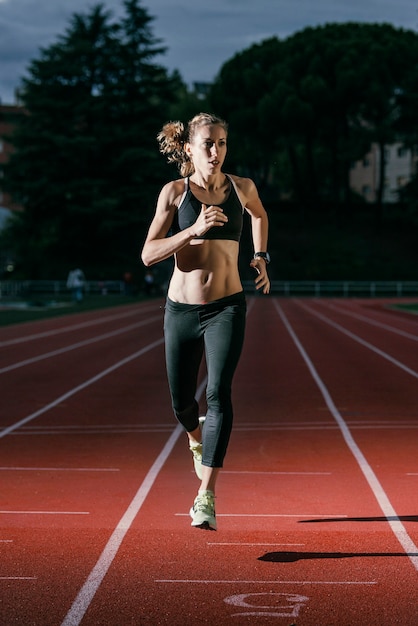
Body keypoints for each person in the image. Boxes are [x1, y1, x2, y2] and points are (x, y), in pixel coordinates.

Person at [141, 112, 270, 531]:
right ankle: (195, 439)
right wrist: (193, 228)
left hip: (227, 306)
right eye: (208, 144)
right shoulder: (175, 193)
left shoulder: (241, 187)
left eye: (222, 144)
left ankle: (205, 496)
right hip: (180, 310)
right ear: (190, 149)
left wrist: (261, 255)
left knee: (218, 393)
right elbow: (148, 253)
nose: (216, 152)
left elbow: (259, 215)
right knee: (182, 404)